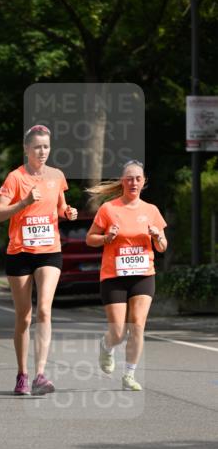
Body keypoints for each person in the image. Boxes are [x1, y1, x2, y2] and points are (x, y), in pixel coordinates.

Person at [0, 124, 77, 395]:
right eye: (37, 146)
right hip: (20, 253)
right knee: (24, 317)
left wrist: (68, 213)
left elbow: (61, 206)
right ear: (26, 149)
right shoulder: (15, 178)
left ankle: (40, 373)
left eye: (46, 146)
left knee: (44, 310)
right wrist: (24, 203)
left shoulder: (57, 176)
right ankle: (22, 374)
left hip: (49, 250)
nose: (42, 151)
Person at [85, 160, 167, 391]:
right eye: (129, 178)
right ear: (122, 181)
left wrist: (157, 236)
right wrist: (105, 238)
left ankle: (129, 375)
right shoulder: (109, 209)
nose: (133, 182)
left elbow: (162, 246)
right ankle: (106, 345)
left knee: (138, 325)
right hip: (114, 276)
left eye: (137, 179)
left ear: (144, 182)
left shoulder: (151, 211)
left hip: (143, 274)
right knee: (119, 332)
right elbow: (90, 238)